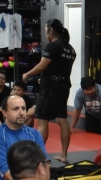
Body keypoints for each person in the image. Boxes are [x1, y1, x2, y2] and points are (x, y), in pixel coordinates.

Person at [23, 19, 74, 162]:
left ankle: (37, 156)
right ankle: (63, 155)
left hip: (50, 88)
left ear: (51, 30)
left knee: (42, 121)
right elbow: (59, 68)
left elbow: (41, 66)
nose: (45, 33)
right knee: (62, 120)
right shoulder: (70, 49)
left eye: (46, 30)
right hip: (64, 87)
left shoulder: (53, 46)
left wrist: (27, 74)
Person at [0, 94, 46, 180]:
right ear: (5, 112)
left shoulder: (34, 134)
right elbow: (6, 172)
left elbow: (44, 164)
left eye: (23, 108)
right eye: (16, 109)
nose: (21, 112)